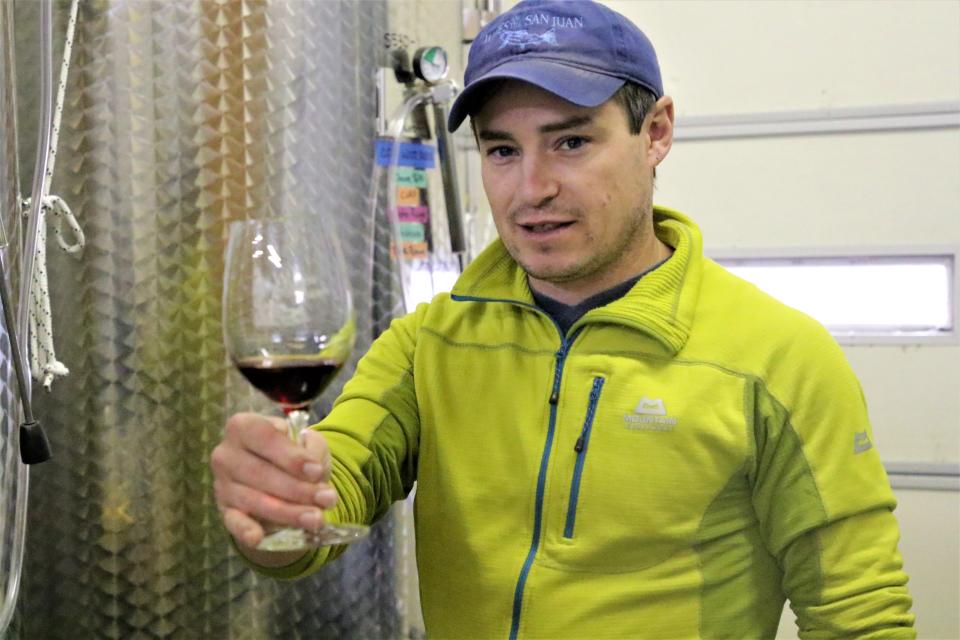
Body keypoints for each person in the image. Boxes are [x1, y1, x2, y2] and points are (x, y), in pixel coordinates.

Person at [211, 1, 916, 637]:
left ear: (657, 132)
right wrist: (275, 501)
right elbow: (333, 496)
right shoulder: (431, 343)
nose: (531, 189)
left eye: (571, 142)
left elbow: (859, 615)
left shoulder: (777, 358)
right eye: (502, 151)